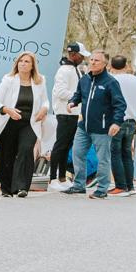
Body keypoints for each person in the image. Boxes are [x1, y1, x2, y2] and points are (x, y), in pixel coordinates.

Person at [62, 50, 127, 199]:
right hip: (84, 126)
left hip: (103, 128)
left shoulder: (111, 82)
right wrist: (72, 102)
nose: (92, 62)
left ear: (105, 64)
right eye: (91, 59)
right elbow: (79, 94)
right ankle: (79, 185)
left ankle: (102, 189)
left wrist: (116, 123)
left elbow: (120, 105)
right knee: (77, 153)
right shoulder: (85, 79)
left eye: (97, 60)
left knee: (103, 159)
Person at [0, 51, 51, 197]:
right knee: (7, 154)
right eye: (21, 61)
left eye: (27, 61)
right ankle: (7, 188)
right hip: (9, 121)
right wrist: (7, 110)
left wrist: (44, 108)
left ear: (32, 66)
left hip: (30, 123)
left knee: (25, 150)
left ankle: (22, 187)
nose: (23, 64)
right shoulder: (9, 79)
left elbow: (45, 100)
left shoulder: (40, 81)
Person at [106, 55, 136, 197]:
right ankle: (130, 186)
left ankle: (120, 186)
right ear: (126, 65)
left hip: (116, 120)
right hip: (131, 120)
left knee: (115, 153)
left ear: (111, 65)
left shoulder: (110, 79)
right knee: (127, 154)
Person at [50, 43, 83, 185]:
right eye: (81, 56)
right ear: (74, 55)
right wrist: (78, 96)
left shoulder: (75, 70)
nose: (83, 58)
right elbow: (60, 92)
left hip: (72, 112)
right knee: (60, 145)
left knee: (66, 145)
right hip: (64, 112)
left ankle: (62, 177)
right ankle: (53, 179)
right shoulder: (64, 71)